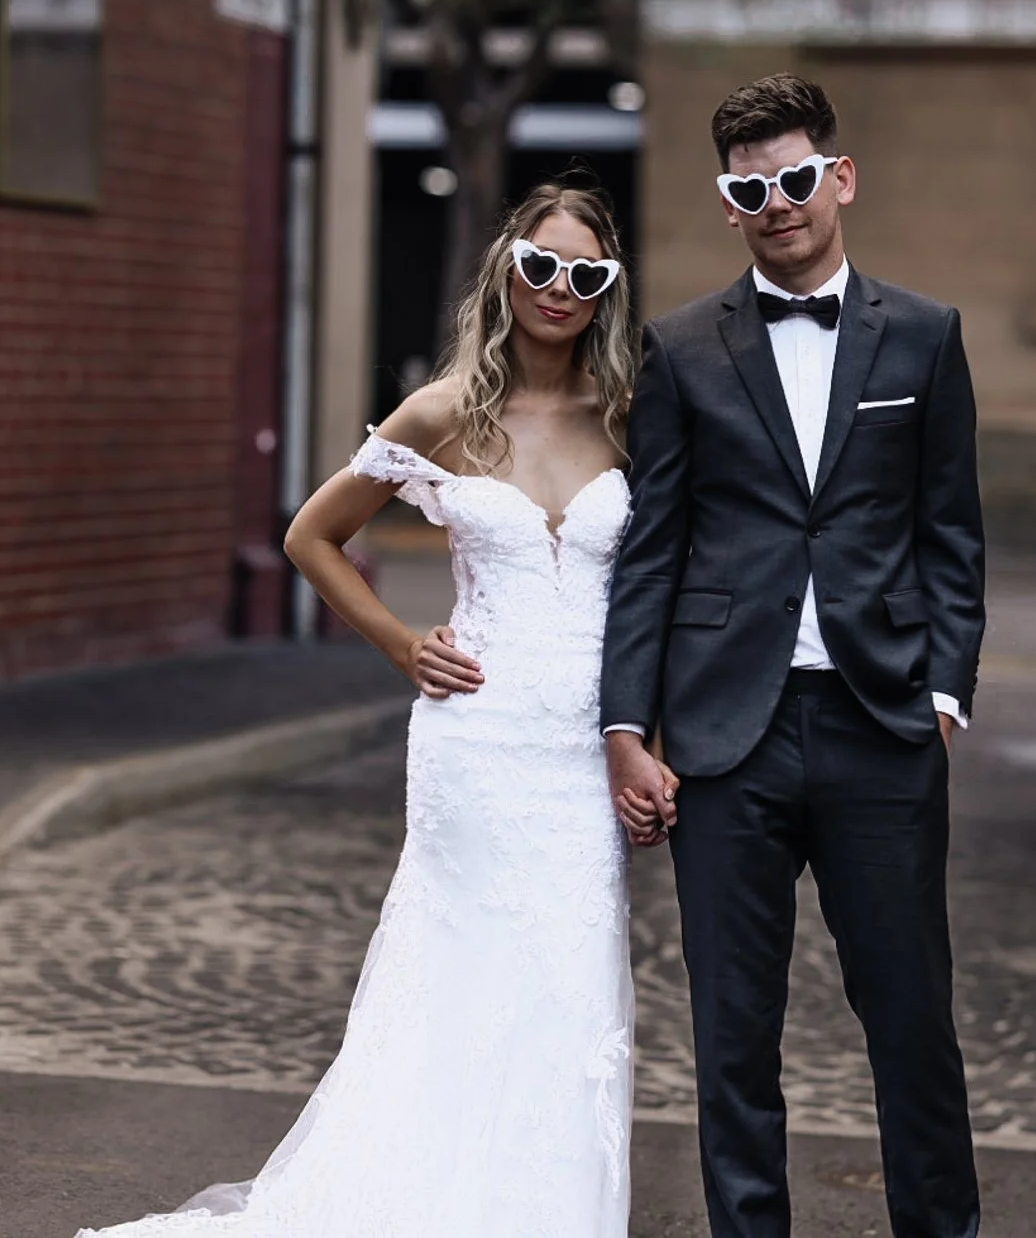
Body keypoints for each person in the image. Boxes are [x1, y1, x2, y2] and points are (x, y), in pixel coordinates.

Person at [74, 183, 649, 1237]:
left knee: (568, 984)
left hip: (582, 749)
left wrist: (645, 733)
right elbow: (308, 536)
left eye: (585, 274)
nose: (558, 290)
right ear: (505, 271)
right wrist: (398, 644)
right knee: (461, 975)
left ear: (608, 291)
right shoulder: (441, 413)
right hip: (474, 740)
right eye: (539, 265)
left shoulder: (629, 415)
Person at [602, 74, 986, 1238]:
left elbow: (950, 529)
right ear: (727, 204)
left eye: (794, 178)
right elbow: (651, 549)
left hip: (881, 724)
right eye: (749, 188)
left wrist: (944, 687)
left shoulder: (924, 336)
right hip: (728, 737)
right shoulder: (679, 348)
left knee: (911, 1017)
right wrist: (627, 726)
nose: (777, 202)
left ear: (838, 179)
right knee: (732, 1031)